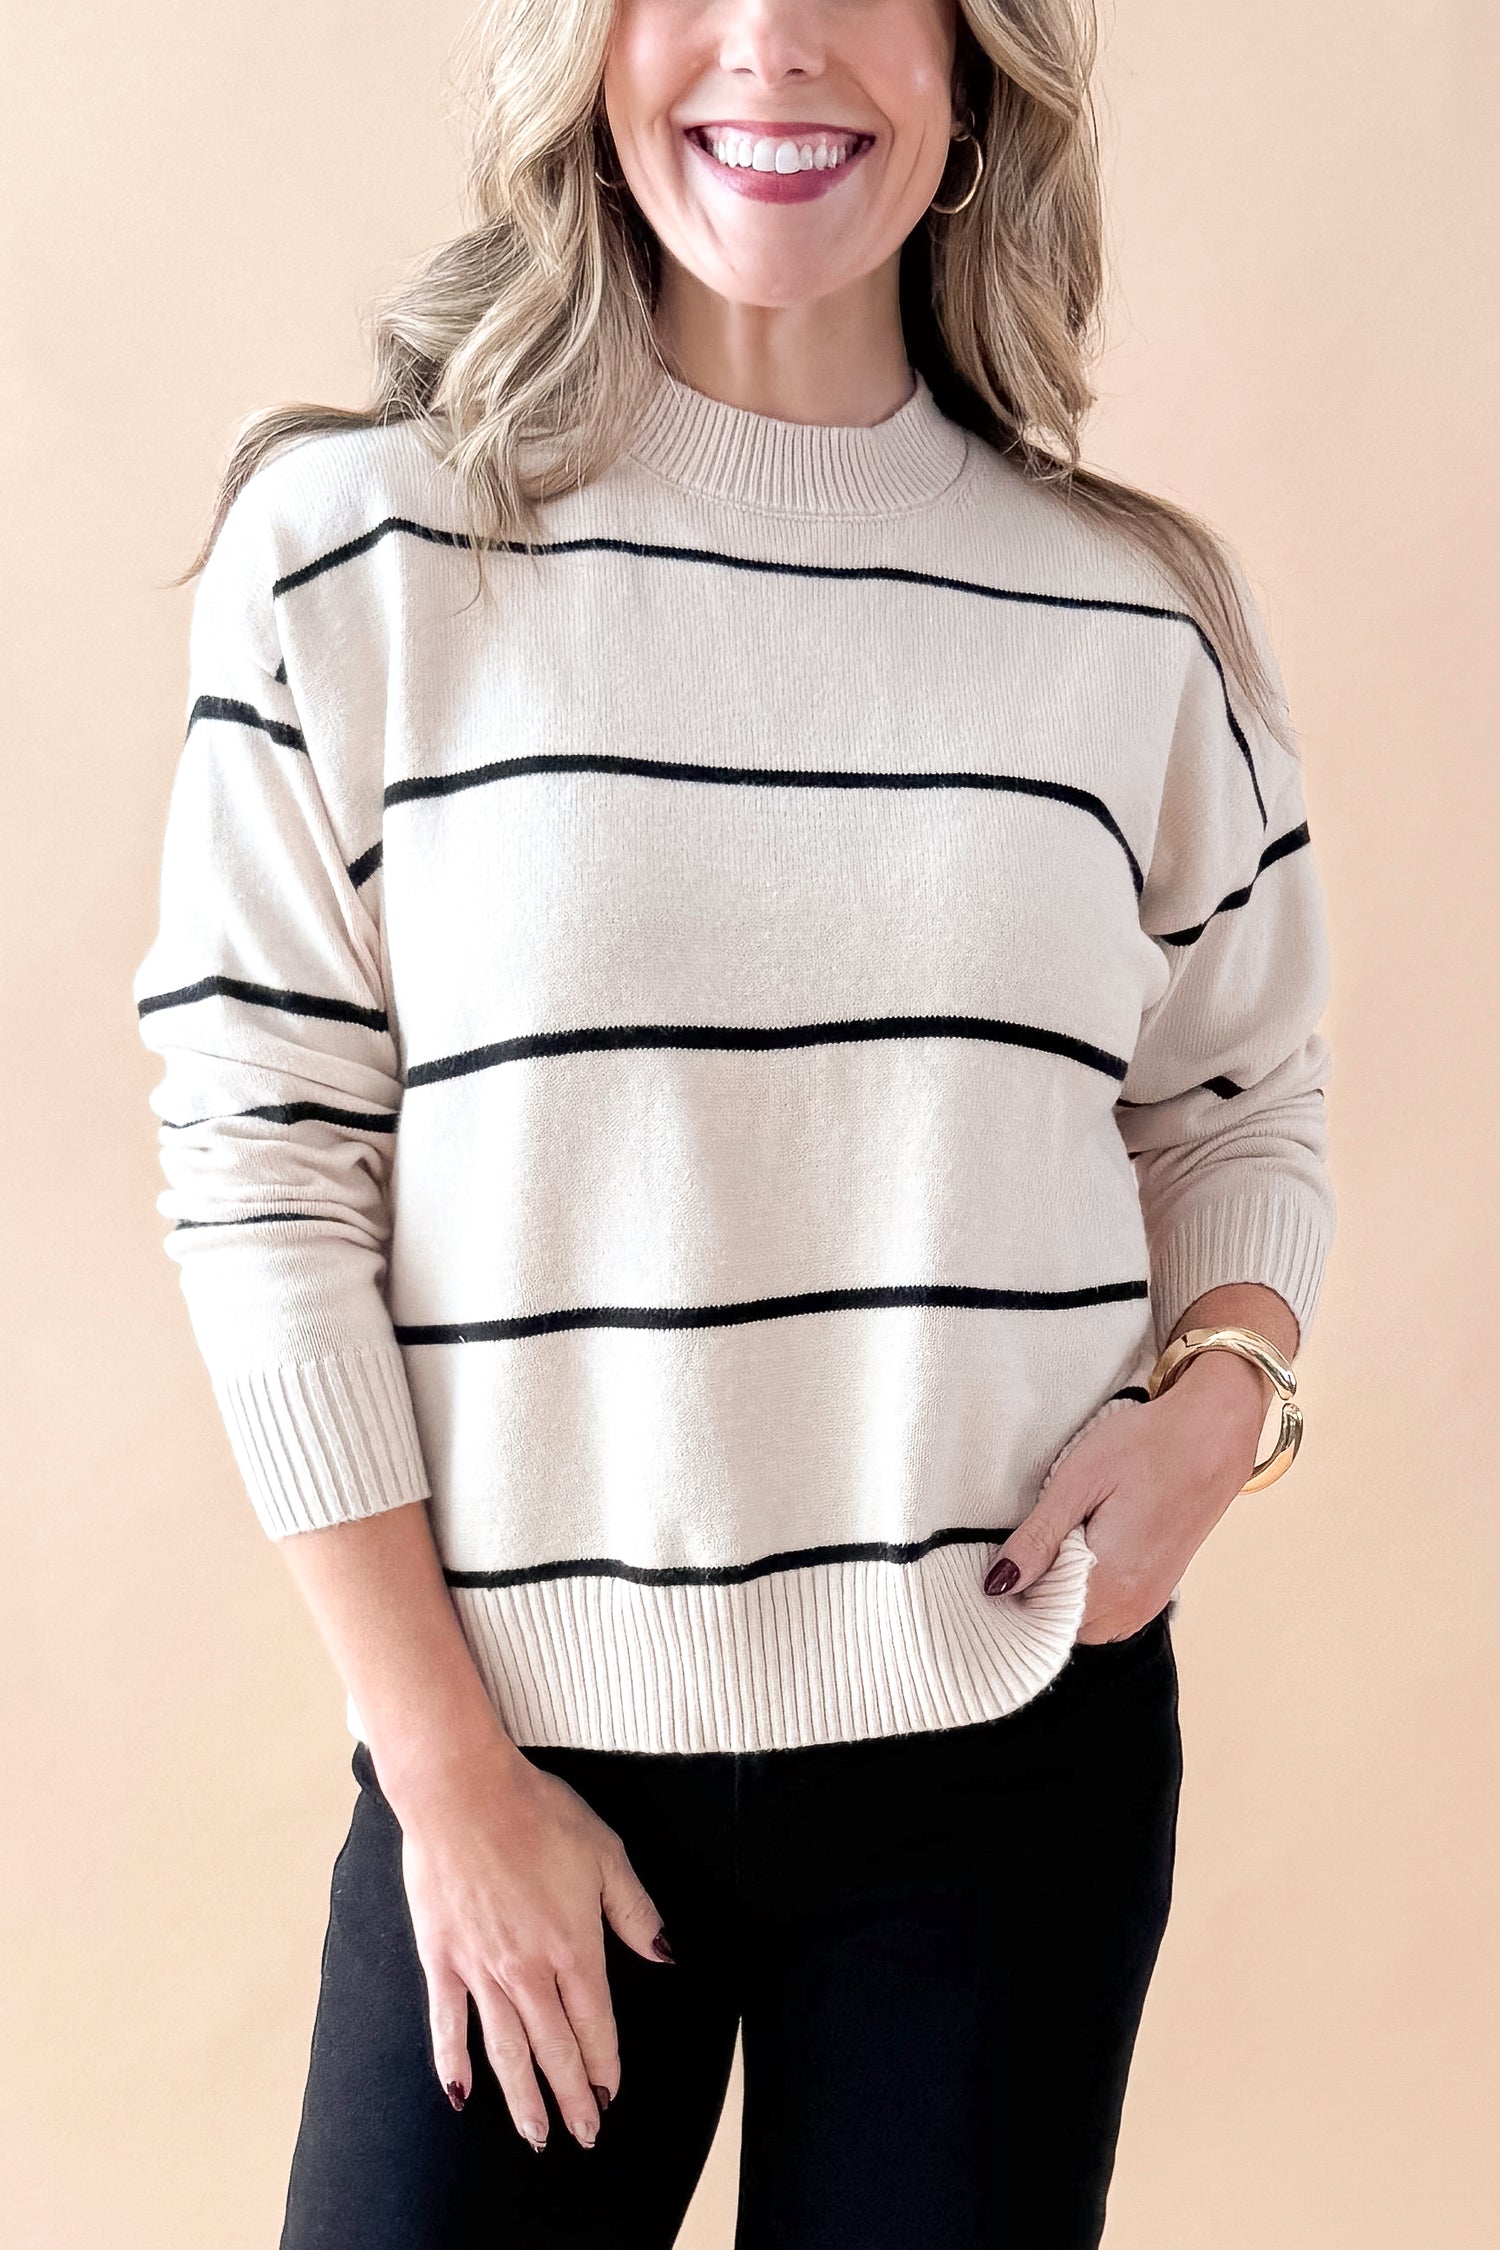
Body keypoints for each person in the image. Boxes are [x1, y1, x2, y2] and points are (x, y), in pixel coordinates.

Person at [133, 1, 1336, 2243]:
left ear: (979, 64)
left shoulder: (1133, 615)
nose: (770, 43)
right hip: (516, 1751)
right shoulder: (356, 558)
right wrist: (449, 1773)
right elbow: (264, 1160)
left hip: (1010, 1757)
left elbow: (1242, 1099)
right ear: (583, 49)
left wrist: (1225, 1391)